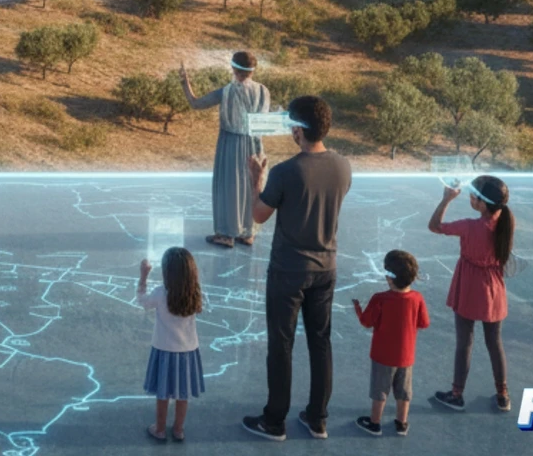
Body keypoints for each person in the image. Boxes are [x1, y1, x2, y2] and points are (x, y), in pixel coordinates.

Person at [242, 95, 352, 441]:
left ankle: (275, 420)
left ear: (298, 130)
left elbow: (258, 215)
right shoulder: (343, 166)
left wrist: (256, 180)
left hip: (289, 271)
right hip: (326, 268)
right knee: (321, 343)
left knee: (281, 344)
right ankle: (317, 417)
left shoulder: (285, 171)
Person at [430, 175, 515, 413]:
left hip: (469, 287)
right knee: (494, 342)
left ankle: (456, 394)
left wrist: (446, 199)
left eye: (473, 195)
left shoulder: (470, 227)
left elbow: (435, 226)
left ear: (482, 203)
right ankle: (503, 394)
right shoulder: (506, 220)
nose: (470, 197)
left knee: (464, 342)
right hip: (494, 288)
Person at [179, 51, 271, 249]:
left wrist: (185, 84)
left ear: (234, 68)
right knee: (252, 185)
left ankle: (226, 234)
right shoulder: (263, 91)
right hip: (255, 143)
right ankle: (248, 232)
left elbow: (196, 103)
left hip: (231, 143)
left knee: (228, 187)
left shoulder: (227, 91)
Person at [352, 249, 430, 436]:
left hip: (382, 355)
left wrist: (357, 308)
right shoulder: (417, 298)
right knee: (404, 391)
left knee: (380, 390)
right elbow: (424, 323)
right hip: (406, 355)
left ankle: (375, 422)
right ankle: (401, 423)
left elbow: (366, 322)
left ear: (390, 278)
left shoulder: (380, 299)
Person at [138, 246, 205, 443]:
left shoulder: (160, 293)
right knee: (182, 394)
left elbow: (142, 301)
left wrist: (143, 277)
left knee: (163, 393)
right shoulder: (194, 292)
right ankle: (178, 429)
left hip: (164, 350)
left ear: (167, 272)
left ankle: (159, 429)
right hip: (187, 352)